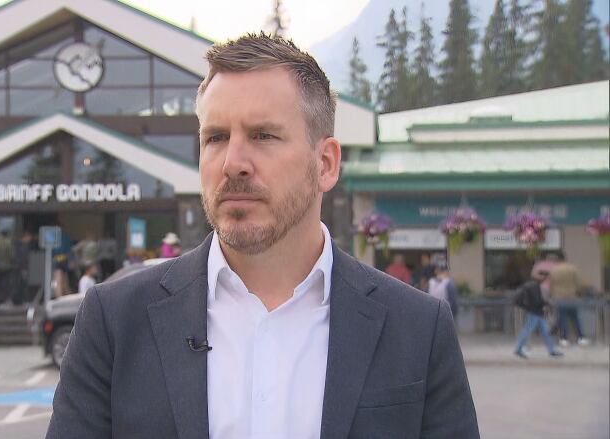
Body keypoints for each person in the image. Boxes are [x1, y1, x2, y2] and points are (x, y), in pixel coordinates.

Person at [47, 33, 478, 439]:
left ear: (326, 163)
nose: (233, 162)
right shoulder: (114, 322)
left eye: (263, 135)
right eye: (215, 137)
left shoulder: (417, 330)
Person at [513, 270, 563, 359]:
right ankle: (518, 348)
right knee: (528, 331)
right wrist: (547, 304)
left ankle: (552, 350)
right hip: (535, 312)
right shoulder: (534, 286)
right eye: (544, 276)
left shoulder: (533, 285)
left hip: (536, 312)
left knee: (545, 331)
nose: (545, 279)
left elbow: (536, 300)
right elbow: (537, 300)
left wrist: (545, 304)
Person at [548, 251, 590, 346]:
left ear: (557, 260)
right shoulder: (572, 269)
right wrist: (579, 293)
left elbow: (551, 285)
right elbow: (579, 283)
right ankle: (581, 338)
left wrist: (551, 295)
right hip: (572, 297)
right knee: (575, 318)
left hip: (559, 298)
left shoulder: (554, 270)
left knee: (562, 319)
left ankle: (564, 339)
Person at [0, 229, 15, 306]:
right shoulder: (8, 243)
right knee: (6, 283)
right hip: (7, 266)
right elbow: (11, 255)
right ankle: (5, 299)